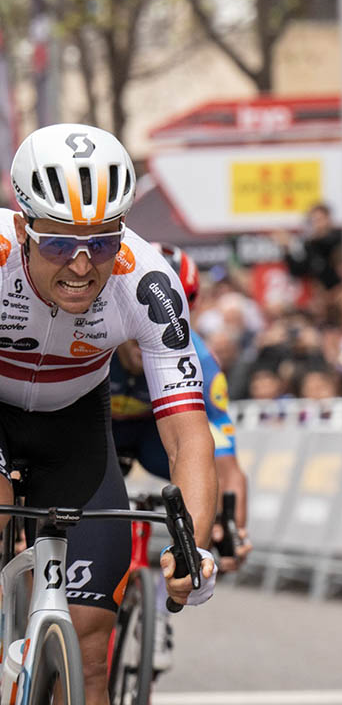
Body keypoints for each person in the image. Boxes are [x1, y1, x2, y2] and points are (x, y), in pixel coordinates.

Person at [3, 123, 217, 704]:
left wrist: (192, 543)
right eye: (57, 243)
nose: (80, 265)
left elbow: (188, 434)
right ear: (23, 229)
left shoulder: (146, 282)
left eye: (100, 242)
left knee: (91, 641)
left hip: (76, 424)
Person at [110, 242, 251, 673]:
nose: (153, 320)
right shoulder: (93, 336)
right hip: (103, 433)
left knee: (198, 468)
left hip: (159, 439)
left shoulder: (203, 363)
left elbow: (224, 464)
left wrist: (230, 529)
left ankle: (155, 607)